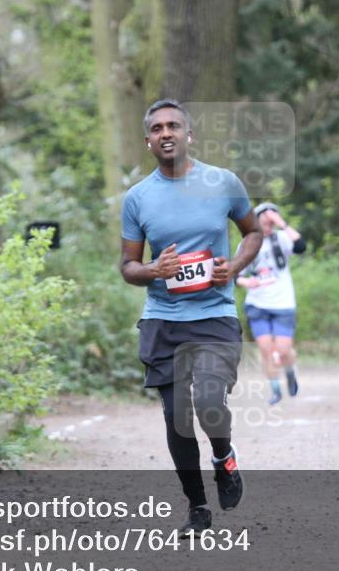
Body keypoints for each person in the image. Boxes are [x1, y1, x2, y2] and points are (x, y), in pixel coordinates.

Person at [120, 99, 262, 537]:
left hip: (214, 314)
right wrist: (153, 271)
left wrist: (234, 268)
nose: (166, 133)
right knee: (177, 415)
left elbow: (253, 231)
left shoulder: (222, 183)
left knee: (208, 404)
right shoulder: (137, 198)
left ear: (189, 135)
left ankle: (223, 457)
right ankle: (198, 508)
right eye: (157, 128)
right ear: (148, 142)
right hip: (163, 319)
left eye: (174, 126)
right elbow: (128, 266)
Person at [235, 203, 306, 405]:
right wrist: (247, 281)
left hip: (283, 303)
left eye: (270, 222)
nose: (267, 226)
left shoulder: (281, 239)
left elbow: (301, 246)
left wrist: (281, 223)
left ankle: (290, 371)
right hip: (257, 304)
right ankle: (275, 389)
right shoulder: (247, 244)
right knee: (266, 349)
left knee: (283, 350)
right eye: (263, 222)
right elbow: (235, 275)